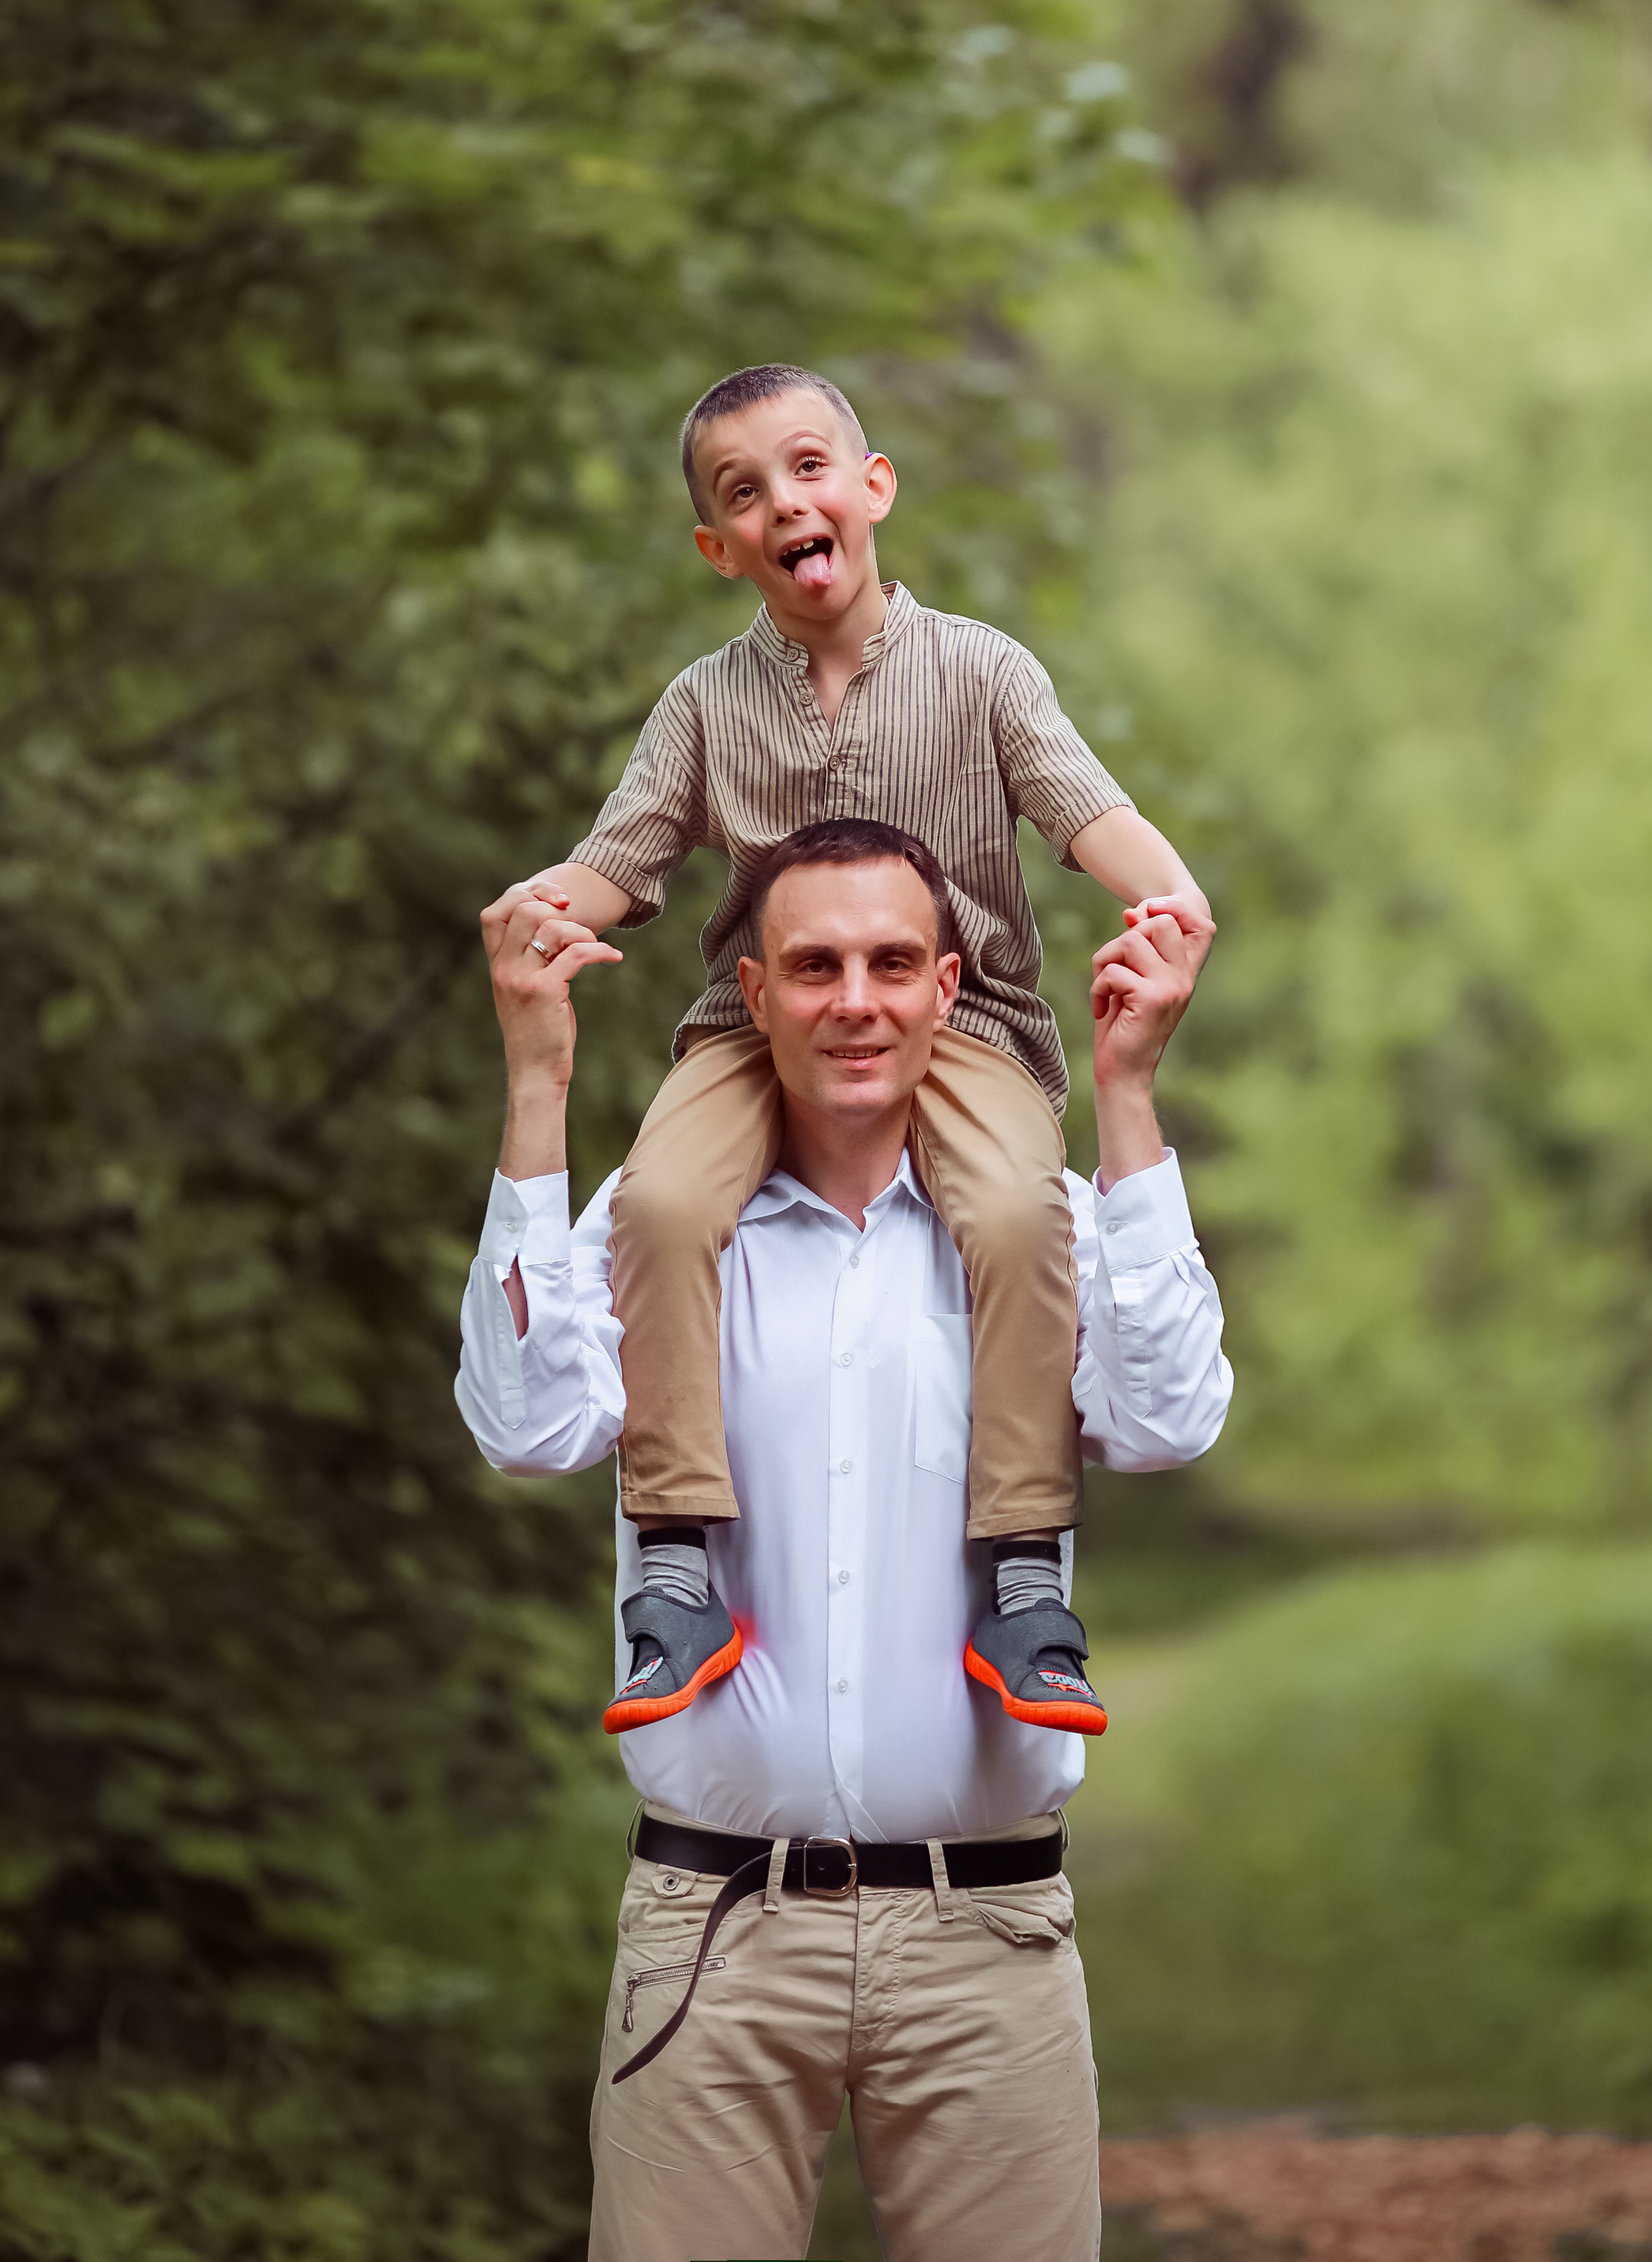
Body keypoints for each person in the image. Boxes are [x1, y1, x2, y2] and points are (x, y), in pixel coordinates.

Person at [458, 816, 1231, 2262]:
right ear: (754, 997)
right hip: (713, 1931)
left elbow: (1173, 1414)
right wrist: (539, 1082)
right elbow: (524, 1425)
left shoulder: (1042, 1229)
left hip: (986, 1939)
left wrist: (1125, 1099)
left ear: (950, 987)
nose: (855, 1001)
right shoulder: (661, 1227)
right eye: (814, 967)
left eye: (891, 963)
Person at [478, 363, 1215, 1741]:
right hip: (756, 1031)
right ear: (720, 549)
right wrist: (532, 918)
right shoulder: (705, 707)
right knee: (660, 1205)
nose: (784, 504)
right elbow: (616, 861)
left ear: (872, 489)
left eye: (809, 467)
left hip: (967, 1021)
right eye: (742, 494)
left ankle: (1020, 1573)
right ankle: (681, 1562)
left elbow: (1083, 805)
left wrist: (1174, 900)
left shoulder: (980, 670)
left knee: (1009, 1210)